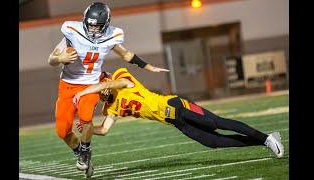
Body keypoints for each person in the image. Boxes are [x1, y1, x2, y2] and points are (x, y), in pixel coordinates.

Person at [47, 2, 169, 177]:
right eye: (90, 25)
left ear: (105, 25)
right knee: (62, 131)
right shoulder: (71, 32)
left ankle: (85, 151)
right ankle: (80, 152)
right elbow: (51, 59)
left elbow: (126, 54)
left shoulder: (113, 35)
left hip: (91, 84)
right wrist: (60, 58)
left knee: (85, 117)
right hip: (67, 85)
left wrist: (148, 66)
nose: (92, 29)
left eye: (97, 26)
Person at [73, 68, 284, 159]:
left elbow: (116, 82)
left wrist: (87, 89)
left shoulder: (121, 79)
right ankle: (265, 141)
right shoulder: (109, 108)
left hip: (175, 105)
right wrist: (89, 128)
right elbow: (105, 129)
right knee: (214, 142)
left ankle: (265, 138)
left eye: (101, 86)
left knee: (216, 123)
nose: (102, 91)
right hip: (174, 122)